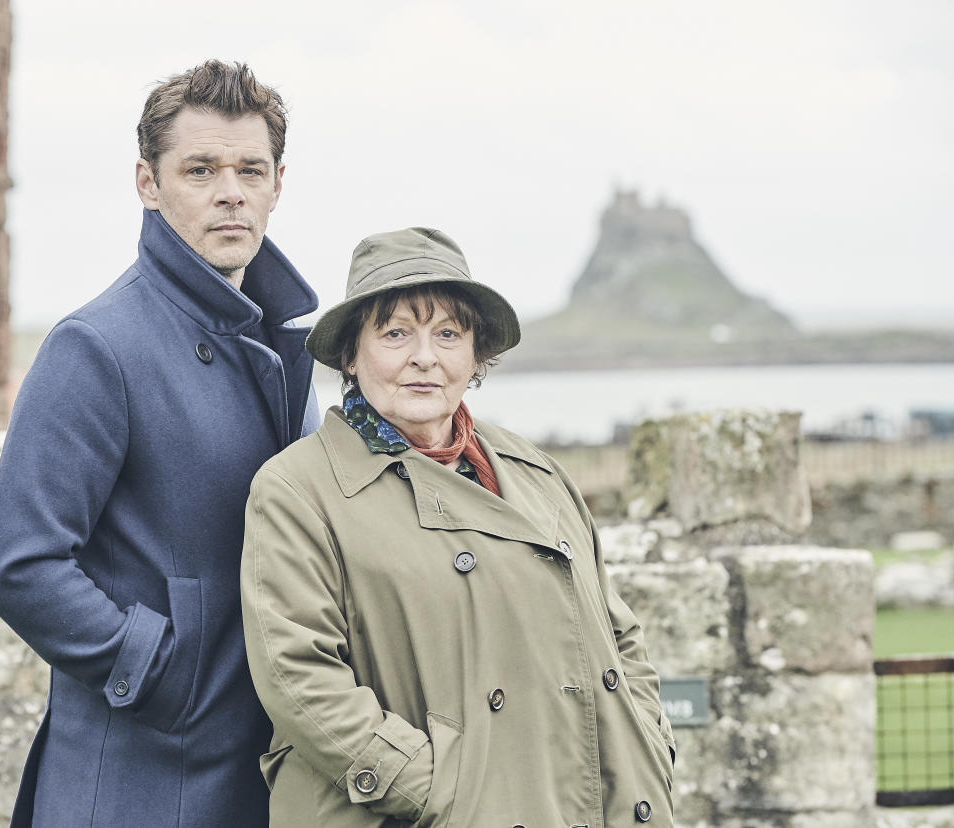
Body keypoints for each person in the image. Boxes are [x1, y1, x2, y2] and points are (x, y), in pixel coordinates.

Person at [240, 227, 675, 827]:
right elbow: (300, 680)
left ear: (476, 356)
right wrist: (447, 790)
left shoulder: (534, 470)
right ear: (350, 353)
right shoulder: (296, 489)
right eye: (395, 333)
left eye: (448, 333)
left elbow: (617, 633)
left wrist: (647, 742)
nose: (426, 357)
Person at [0, 60, 319, 827]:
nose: (229, 190)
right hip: (138, 776)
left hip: (258, 776)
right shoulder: (95, 347)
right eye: (199, 169)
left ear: (277, 182)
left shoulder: (288, 349)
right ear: (149, 182)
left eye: (248, 169)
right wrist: (166, 676)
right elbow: (19, 564)